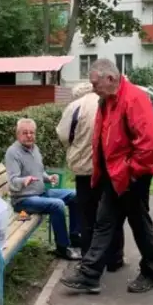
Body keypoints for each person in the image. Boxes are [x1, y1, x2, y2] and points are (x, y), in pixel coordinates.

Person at [60, 59, 153, 294]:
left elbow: (150, 143)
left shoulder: (133, 99)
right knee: (104, 222)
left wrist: (131, 172)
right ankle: (89, 275)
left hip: (132, 176)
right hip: (115, 175)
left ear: (110, 78)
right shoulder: (107, 100)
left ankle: (151, 272)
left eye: (95, 83)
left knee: (139, 224)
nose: (93, 87)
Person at [56, 82, 125, 269]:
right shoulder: (111, 102)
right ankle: (115, 259)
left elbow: (63, 135)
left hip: (85, 169)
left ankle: (89, 259)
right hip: (111, 169)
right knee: (112, 214)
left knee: (87, 215)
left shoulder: (75, 106)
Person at [5, 118, 81, 261]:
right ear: (17, 134)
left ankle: (75, 237)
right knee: (57, 205)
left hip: (40, 193)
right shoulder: (13, 153)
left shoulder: (34, 148)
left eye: (32, 132)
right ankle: (62, 248)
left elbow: (39, 171)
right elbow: (13, 181)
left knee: (75, 195)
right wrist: (24, 180)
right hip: (23, 200)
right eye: (25, 133)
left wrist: (48, 178)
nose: (29, 136)